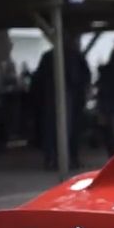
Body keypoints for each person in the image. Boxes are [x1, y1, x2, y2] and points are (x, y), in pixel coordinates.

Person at [31, 34, 92, 170]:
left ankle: (53, 160)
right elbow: (85, 79)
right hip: (70, 99)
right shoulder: (76, 57)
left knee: (53, 131)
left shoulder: (49, 56)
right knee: (70, 131)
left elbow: (37, 80)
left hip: (53, 100)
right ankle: (70, 159)